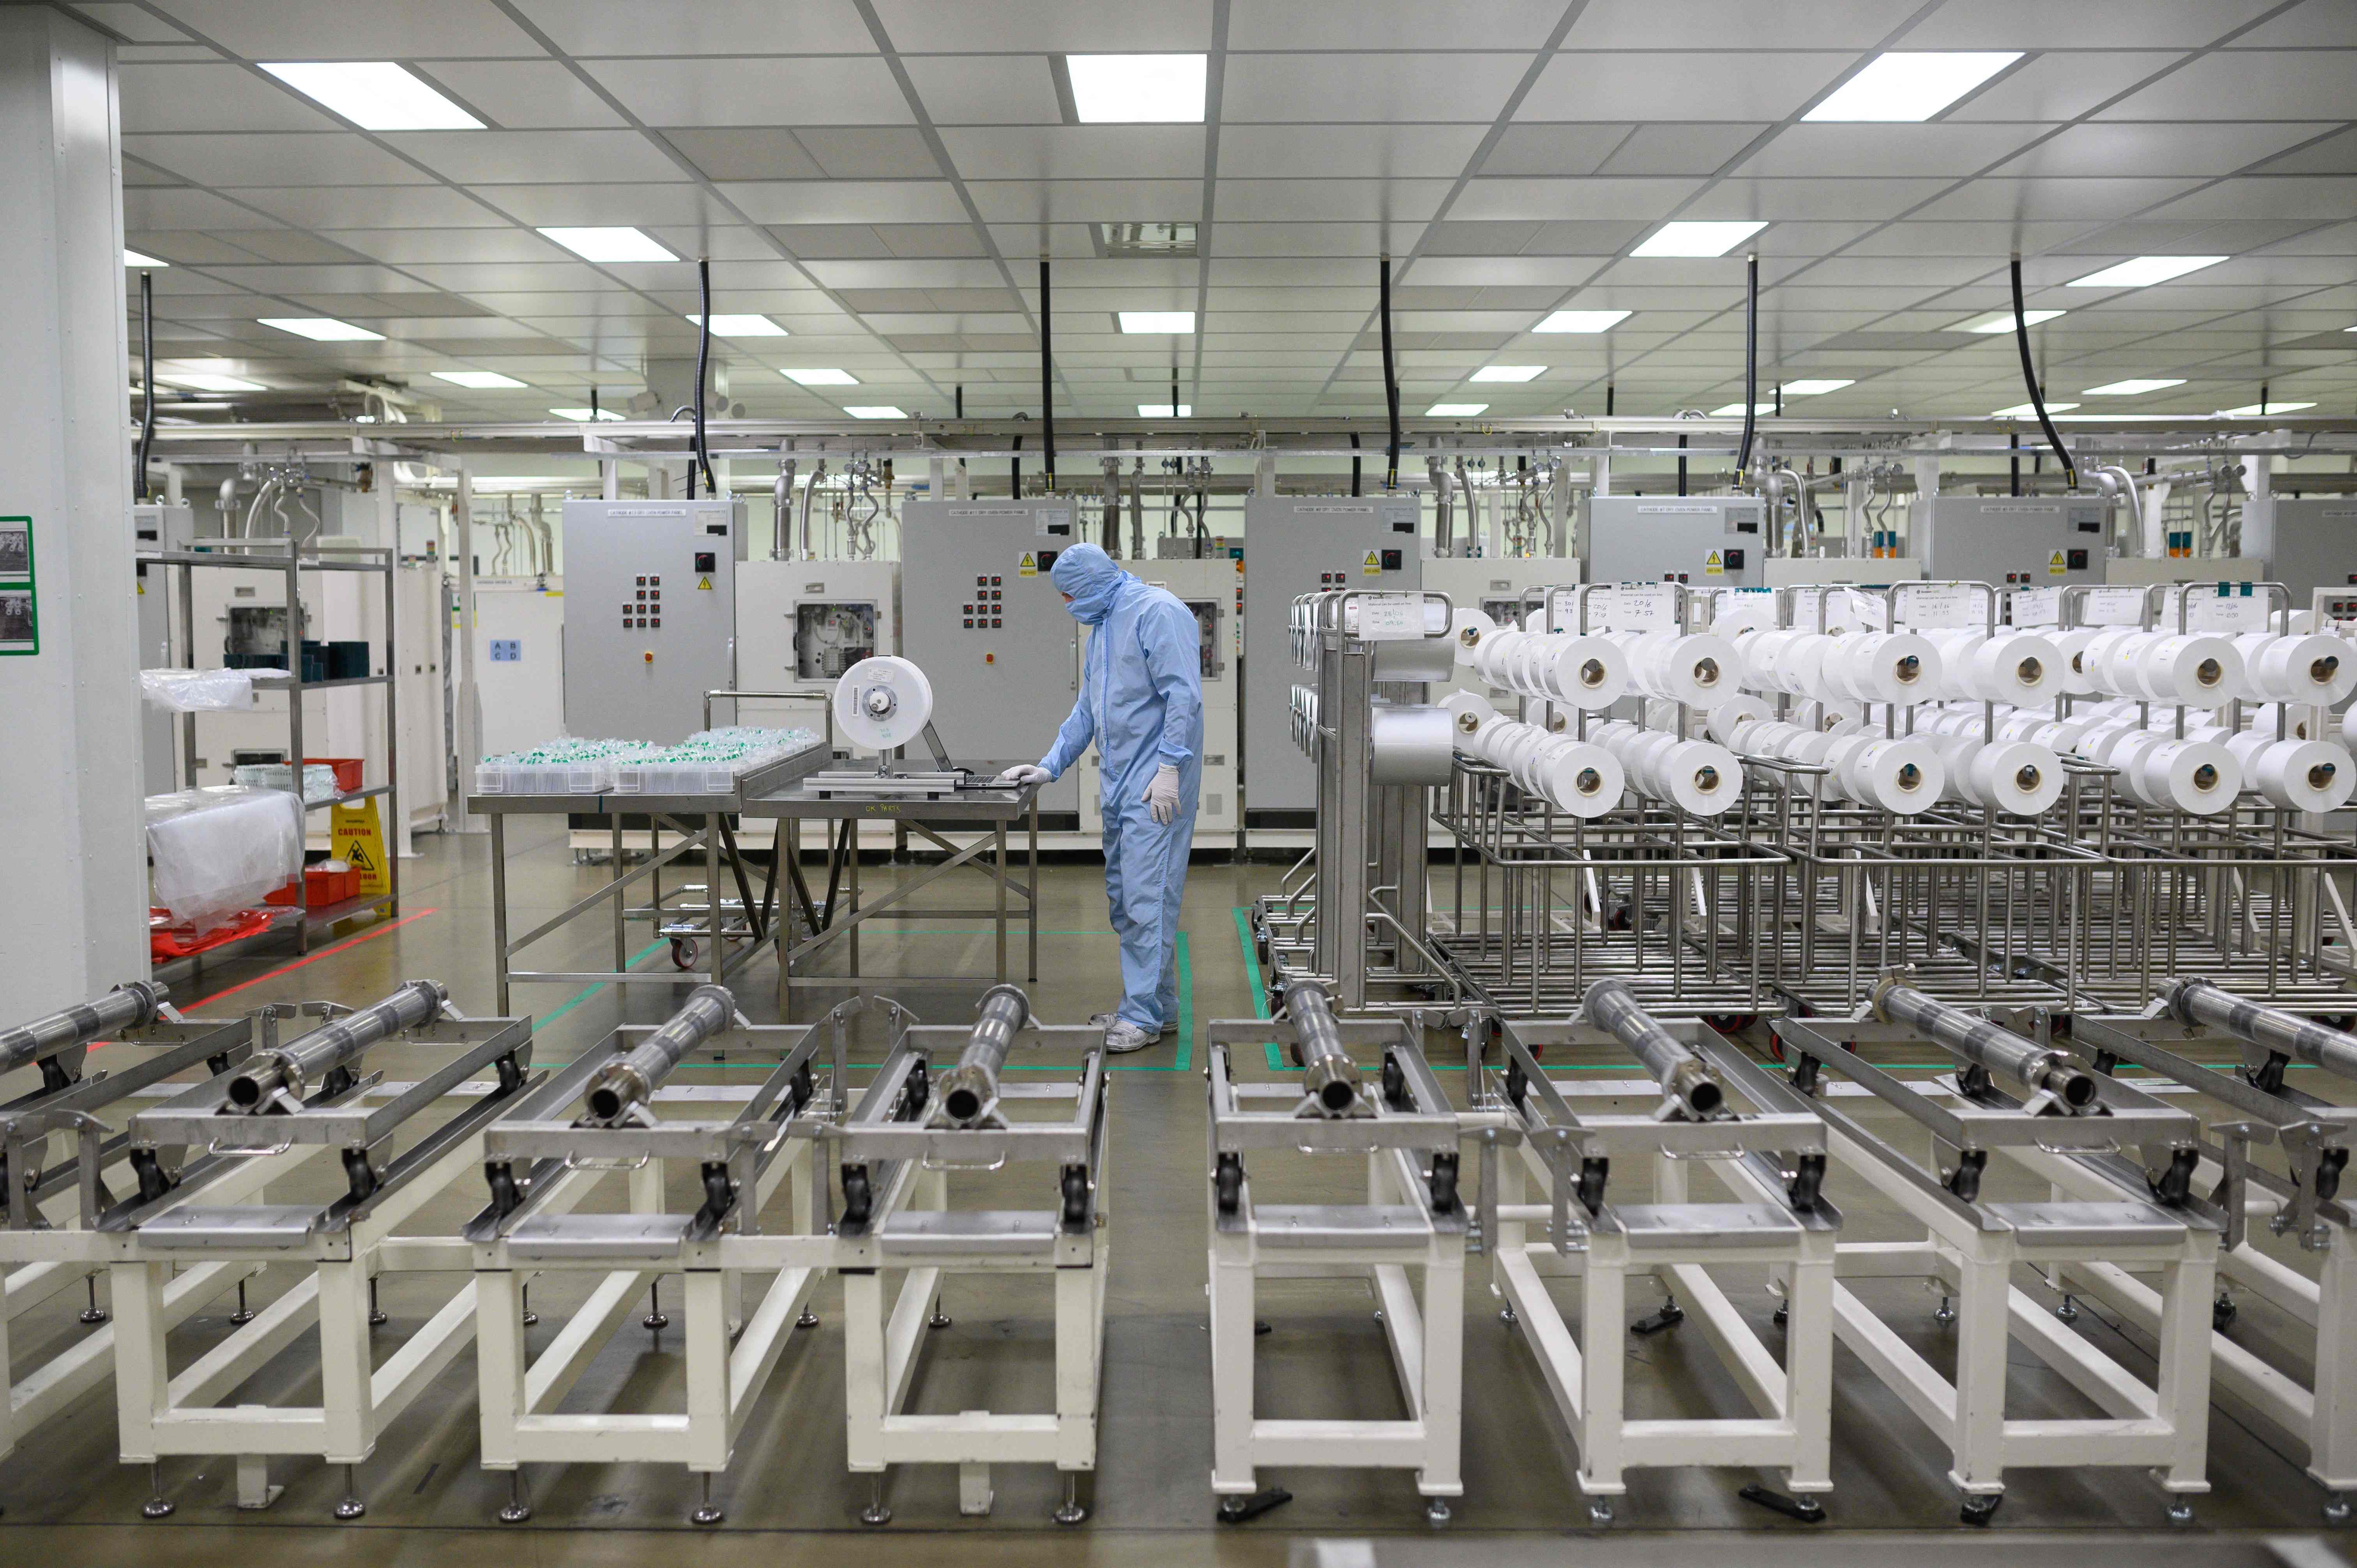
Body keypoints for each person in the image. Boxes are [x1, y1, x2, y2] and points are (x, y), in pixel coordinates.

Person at [997, 544, 1202, 1052]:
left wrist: (1170, 767)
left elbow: (1185, 697)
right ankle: (1158, 1005)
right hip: (1120, 781)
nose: (1067, 604)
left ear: (1088, 585)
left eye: (1068, 595)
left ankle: (1142, 1017)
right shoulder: (1104, 628)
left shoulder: (1158, 613)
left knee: (1146, 898)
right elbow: (1088, 709)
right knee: (1130, 898)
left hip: (1156, 782)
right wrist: (1049, 765)